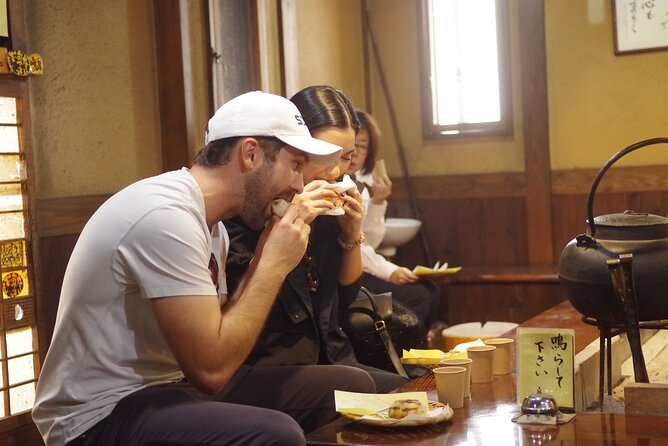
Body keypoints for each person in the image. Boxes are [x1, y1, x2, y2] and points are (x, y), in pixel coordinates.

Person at [31, 91, 377, 446]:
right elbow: (211, 371)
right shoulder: (165, 216)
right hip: (97, 416)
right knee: (277, 434)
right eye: (294, 165)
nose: (299, 185)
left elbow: (220, 335)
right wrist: (274, 264)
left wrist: (261, 257)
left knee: (350, 389)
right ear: (251, 154)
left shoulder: (213, 228)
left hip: (170, 389)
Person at [225, 86, 408, 393]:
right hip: (273, 367)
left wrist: (351, 234)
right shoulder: (247, 215)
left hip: (333, 357)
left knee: (414, 394)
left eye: (347, 158)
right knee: (369, 390)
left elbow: (345, 301)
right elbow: (241, 314)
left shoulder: (328, 209)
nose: (335, 171)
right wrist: (287, 226)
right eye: (324, 155)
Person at [348, 109, 442, 336]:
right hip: (347, 274)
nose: (354, 153)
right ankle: (404, 356)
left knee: (431, 289)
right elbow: (353, 245)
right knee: (419, 295)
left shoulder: (360, 187)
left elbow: (367, 239)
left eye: (362, 146)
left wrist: (379, 201)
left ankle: (415, 352)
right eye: (350, 144)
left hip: (360, 265)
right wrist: (389, 271)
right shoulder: (336, 185)